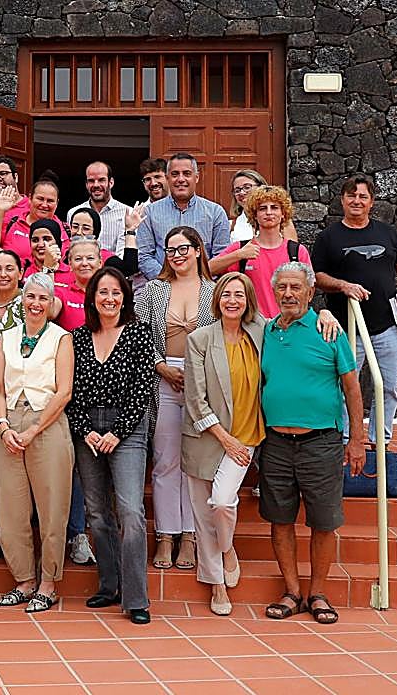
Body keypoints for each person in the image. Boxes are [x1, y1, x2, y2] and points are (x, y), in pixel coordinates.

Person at [260, 262, 366, 625]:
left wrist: (358, 440)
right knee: (280, 518)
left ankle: (317, 592)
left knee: (323, 521)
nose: (288, 293)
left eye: (296, 288)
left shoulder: (328, 331)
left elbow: (352, 387)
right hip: (275, 442)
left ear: (309, 292)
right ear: (274, 293)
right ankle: (292, 592)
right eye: (282, 288)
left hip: (321, 442)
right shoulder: (267, 331)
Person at [67, 267, 155, 624]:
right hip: (87, 428)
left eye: (116, 292)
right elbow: (68, 388)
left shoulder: (138, 333)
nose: (109, 299)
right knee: (97, 512)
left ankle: (136, 599)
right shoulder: (77, 338)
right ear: (92, 298)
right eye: (102, 292)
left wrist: (117, 432)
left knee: (131, 511)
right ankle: (109, 584)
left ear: (125, 297)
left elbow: (142, 387)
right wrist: (84, 429)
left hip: (127, 429)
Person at [311, 174, 397, 444]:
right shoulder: (328, 236)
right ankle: (348, 437)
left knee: (389, 387)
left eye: (363, 196)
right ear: (342, 200)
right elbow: (316, 276)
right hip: (345, 329)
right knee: (345, 385)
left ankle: (379, 439)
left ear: (371, 202)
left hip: (387, 327)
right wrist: (343, 285)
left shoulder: (388, 233)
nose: (356, 201)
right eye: (351, 195)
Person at [0, 272, 75, 614]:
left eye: (43, 298)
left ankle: (49, 582)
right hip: (10, 423)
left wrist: (34, 429)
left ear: (52, 303)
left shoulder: (61, 338)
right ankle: (23, 580)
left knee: (52, 507)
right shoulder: (7, 337)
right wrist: (3, 425)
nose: (36, 304)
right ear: (22, 300)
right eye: (30, 297)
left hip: (47, 424)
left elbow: (64, 390)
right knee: (11, 507)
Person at [181, 273, 264, 616]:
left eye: (239, 295)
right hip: (206, 436)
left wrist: (326, 314)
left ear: (248, 301)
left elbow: (297, 316)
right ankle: (216, 585)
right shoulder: (200, 339)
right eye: (226, 294)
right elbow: (196, 398)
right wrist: (224, 439)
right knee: (203, 515)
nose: (232, 300)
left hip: (246, 436)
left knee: (222, 502)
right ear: (217, 300)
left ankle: (227, 548)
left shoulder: (261, 333)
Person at [136, 226, 216, 571]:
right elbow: (136, 333)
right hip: (162, 376)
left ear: (198, 250)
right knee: (166, 459)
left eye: (184, 248)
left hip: (204, 381)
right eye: (170, 250)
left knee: (195, 462)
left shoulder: (215, 291)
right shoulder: (153, 290)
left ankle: (190, 535)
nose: (177, 255)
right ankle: (166, 534)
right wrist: (159, 365)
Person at [210, 186, 310, 318]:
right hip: (251, 328)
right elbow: (207, 269)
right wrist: (238, 255)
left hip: (288, 327)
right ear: (254, 215)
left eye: (274, 207)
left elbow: (308, 291)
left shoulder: (297, 251)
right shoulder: (242, 248)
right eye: (262, 208)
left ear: (283, 214)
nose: (269, 212)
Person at [136, 153, 231, 280]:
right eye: (175, 174)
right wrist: (167, 282)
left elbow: (222, 256)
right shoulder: (150, 213)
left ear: (196, 177)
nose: (181, 179)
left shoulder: (215, 212)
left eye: (187, 174)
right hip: (164, 289)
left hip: (205, 290)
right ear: (167, 178)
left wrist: (196, 282)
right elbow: (145, 256)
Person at [0, 176, 67, 263]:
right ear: (30, 198)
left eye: (50, 201)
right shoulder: (12, 223)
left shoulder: (65, 229)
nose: (44, 204)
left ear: (57, 203)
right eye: (40, 199)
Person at [66, 161, 130, 255]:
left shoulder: (127, 213)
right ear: (86, 184)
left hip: (114, 268)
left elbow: (123, 254)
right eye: (91, 181)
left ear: (111, 182)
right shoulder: (73, 213)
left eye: (101, 180)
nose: (96, 185)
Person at [67, 206, 141, 275]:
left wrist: (130, 231)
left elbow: (130, 269)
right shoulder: (62, 254)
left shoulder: (103, 256)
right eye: (75, 227)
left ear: (95, 232)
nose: (79, 232)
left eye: (86, 228)